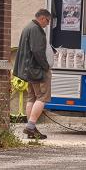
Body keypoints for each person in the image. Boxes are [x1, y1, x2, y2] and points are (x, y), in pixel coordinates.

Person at [13, 9, 52, 139]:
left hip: (28, 70)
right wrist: (45, 66)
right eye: (47, 21)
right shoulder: (36, 29)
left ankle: (31, 129)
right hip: (37, 70)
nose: (47, 24)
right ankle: (30, 126)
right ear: (42, 18)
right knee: (42, 97)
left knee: (31, 98)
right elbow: (36, 50)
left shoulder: (27, 27)